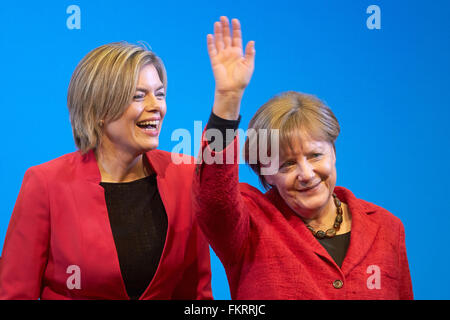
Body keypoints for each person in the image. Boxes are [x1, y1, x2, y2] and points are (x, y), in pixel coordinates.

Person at [193, 16, 413, 299]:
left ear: (333, 152)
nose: (307, 173)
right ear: (265, 172)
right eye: (287, 163)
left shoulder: (387, 227)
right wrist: (228, 98)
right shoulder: (249, 225)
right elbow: (214, 197)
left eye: (315, 155)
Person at [0, 42, 212, 300]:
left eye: (160, 94)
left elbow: (196, 295)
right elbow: (14, 293)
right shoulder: (45, 183)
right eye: (138, 96)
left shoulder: (185, 175)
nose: (156, 106)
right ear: (100, 109)